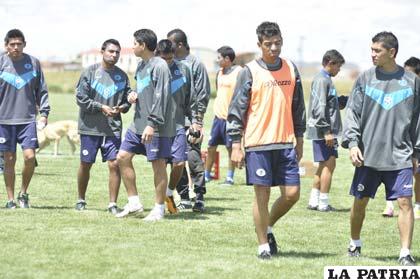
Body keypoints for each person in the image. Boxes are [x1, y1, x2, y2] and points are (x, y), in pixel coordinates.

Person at [227, 22, 306, 260]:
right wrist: (235, 144)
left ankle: (266, 226)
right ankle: (263, 246)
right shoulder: (249, 71)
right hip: (258, 144)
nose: (274, 48)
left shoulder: (291, 68)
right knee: (262, 196)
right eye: (268, 44)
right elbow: (236, 111)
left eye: (278, 43)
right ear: (259, 44)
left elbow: (298, 108)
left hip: (286, 143)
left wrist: (300, 140)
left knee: (292, 194)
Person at [342, 32, 419, 266]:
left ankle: (405, 253)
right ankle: (354, 243)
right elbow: (352, 113)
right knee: (360, 201)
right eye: (372, 49)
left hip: (400, 156)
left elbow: (418, 119)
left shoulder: (413, 81)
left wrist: (417, 152)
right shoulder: (365, 79)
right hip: (368, 156)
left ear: (392, 52)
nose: (372, 54)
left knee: (405, 203)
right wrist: (353, 143)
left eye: (377, 50)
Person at [116, 29, 175, 221]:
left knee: (158, 166)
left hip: (155, 126)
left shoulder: (160, 66)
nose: (132, 46)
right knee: (122, 157)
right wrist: (133, 94)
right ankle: (134, 203)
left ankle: (159, 209)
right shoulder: (141, 66)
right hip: (137, 123)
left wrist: (152, 124)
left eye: (134, 43)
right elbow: (143, 89)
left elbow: (162, 96)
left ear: (143, 45)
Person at [75, 39, 131, 214]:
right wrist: (101, 107)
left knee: (115, 165)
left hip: (112, 129)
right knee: (86, 164)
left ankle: (112, 204)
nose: (114, 55)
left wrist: (122, 107)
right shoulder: (89, 73)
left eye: (117, 52)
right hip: (90, 128)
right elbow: (81, 99)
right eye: (111, 51)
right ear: (102, 51)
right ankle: (81, 199)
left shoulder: (122, 76)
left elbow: (127, 102)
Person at [0, 29, 50, 209]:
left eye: (19, 44)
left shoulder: (33, 63)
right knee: (9, 159)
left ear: (24, 45)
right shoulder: (1, 61)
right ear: (6, 45)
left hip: (27, 119)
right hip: (4, 121)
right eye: (12, 44)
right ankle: (11, 199)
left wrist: (44, 113)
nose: (15, 48)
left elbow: (42, 90)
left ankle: (23, 193)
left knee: (29, 157)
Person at [167, 29, 211, 213]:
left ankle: (199, 197)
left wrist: (198, 122)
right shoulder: (168, 63)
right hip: (172, 122)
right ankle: (184, 196)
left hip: (191, 122)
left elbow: (202, 94)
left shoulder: (195, 64)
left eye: (170, 43)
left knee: (193, 158)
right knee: (176, 160)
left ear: (179, 44)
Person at [155, 39, 193, 214]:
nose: (168, 62)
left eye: (170, 58)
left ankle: (169, 193)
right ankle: (161, 204)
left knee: (179, 163)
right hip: (158, 125)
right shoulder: (151, 68)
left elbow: (191, 97)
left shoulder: (184, 69)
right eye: (164, 59)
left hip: (178, 123)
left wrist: (195, 121)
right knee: (161, 163)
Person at [306, 50, 345, 212]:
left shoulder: (324, 79)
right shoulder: (323, 80)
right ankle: (323, 203)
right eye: (338, 66)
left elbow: (328, 103)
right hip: (324, 131)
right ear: (330, 63)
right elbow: (320, 107)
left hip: (322, 130)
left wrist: (341, 102)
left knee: (322, 166)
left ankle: (313, 201)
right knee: (330, 165)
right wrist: (327, 131)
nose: (339, 70)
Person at [382, 56, 420, 218]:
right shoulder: (399, 88)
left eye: (409, 73)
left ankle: (417, 206)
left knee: (417, 172)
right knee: (389, 169)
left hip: (416, 137)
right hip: (399, 137)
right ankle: (389, 204)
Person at [204, 46, 241, 185]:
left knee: (230, 148)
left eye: (219, 57)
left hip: (231, 119)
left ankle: (230, 177)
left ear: (227, 59)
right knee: (210, 147)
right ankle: (207, 175)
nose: (217, 60)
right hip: (217, 118)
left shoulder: (239, 72)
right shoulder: (219, 73)